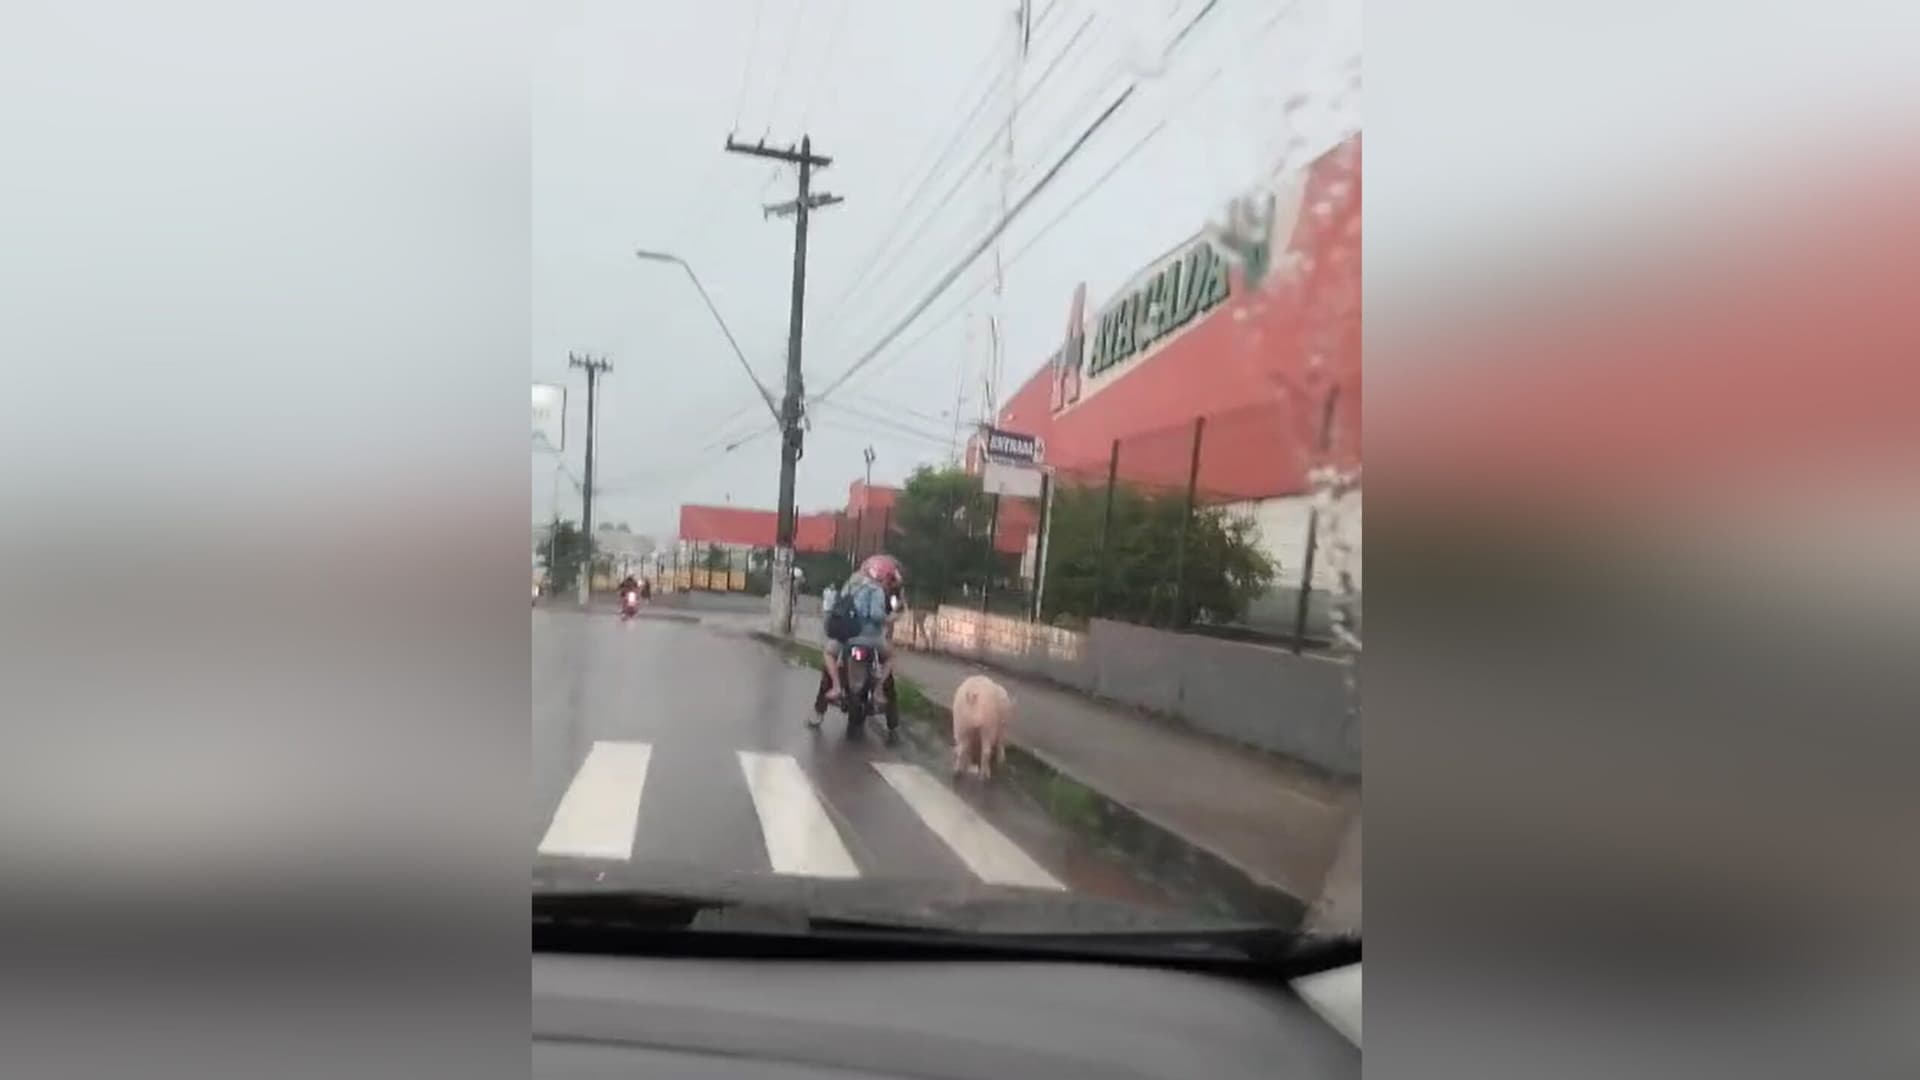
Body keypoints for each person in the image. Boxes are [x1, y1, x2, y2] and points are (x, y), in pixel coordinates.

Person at [812, 553, 903, 724]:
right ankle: (890, 719)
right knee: (889, 665)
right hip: (871, 639)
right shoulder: (878, 589)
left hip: (846, 637)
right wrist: (891, 618)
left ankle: (821, 709)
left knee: (828, 669)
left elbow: (836, 607)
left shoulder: (852, 583)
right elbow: (878, 615)